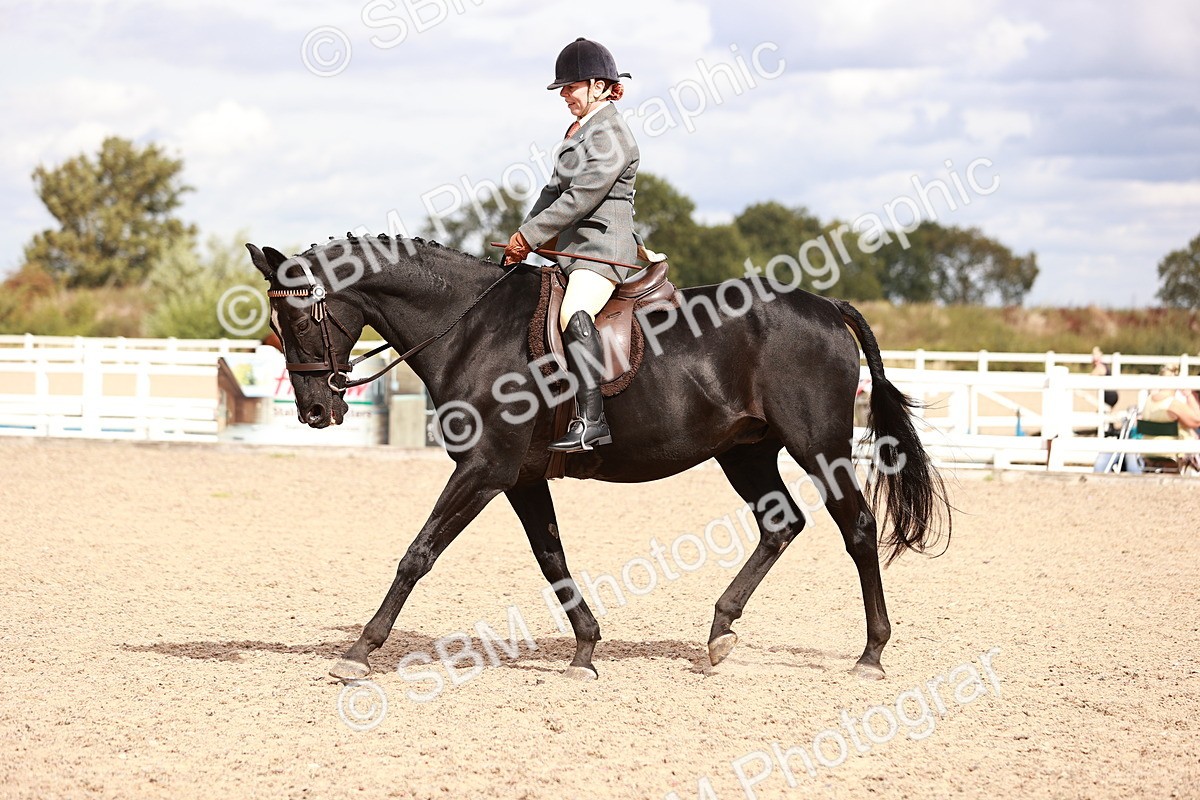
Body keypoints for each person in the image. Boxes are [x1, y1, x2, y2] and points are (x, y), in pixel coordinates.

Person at [504, 37, 639, 453]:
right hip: (571, 251)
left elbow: (581, 197)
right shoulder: (580, 131)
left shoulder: (612, 134)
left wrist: (531, 236)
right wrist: (520, 241)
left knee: (573, 312)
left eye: (570, 86)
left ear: (599, 86)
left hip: (602, 250)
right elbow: (551, 192)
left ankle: (591, 420)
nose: (564, 94)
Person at [1139, 364, 1200, 471]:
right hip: (1170, 455)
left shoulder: (1148, 401)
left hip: (1148, 454)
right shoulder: (1173, 404)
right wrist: (1189, 395)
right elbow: (1196, 421)